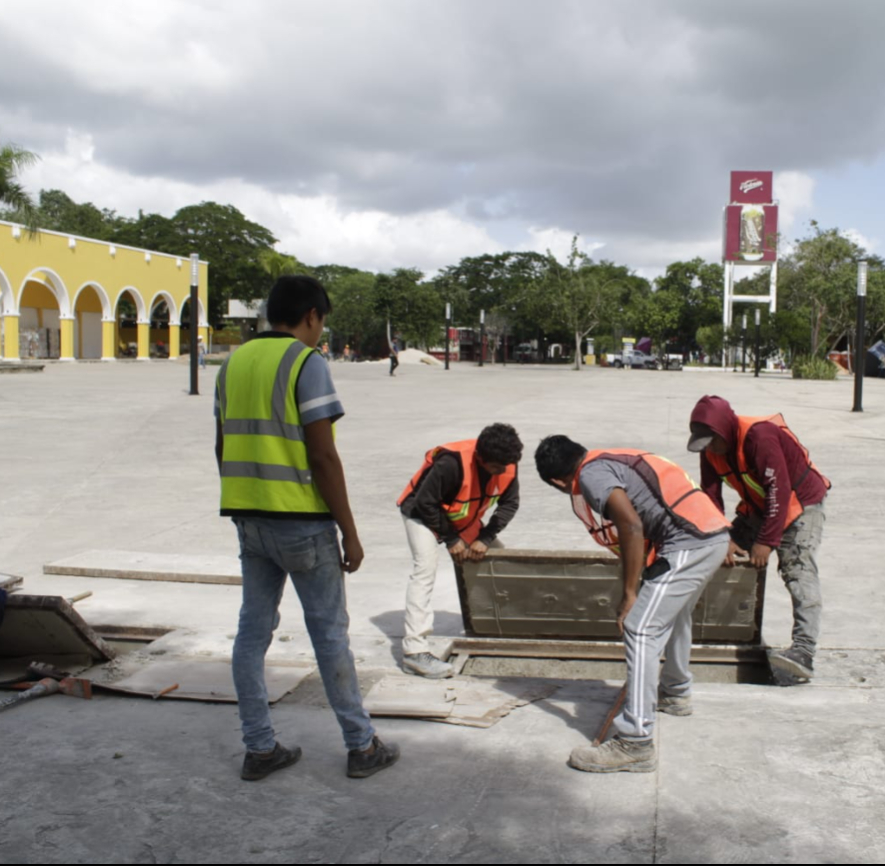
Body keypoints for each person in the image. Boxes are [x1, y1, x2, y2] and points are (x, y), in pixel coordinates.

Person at [215, 274, 398, 782]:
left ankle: (259, 747)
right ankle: (361, 747)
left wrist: (245, 498)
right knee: (329, 636)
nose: (321, 331)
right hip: (302, 522)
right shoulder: (306, 362)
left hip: (248, 519)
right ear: (312, 316)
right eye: (322, 322)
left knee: (252, 634)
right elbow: (323, 454)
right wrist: (350, 532)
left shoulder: (232, 364)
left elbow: (221, 444)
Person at [534, 435, 730, 774]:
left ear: (558, 481)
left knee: (640, 627)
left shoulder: (590, 476)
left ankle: (634, 742)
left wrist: (629, 595)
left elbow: (630, 524)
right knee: (674, 613)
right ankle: (676, 693)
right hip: (709, 536)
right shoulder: (612, 457)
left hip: (688, 543)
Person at [687, 394, 830, 685]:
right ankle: (722, 629)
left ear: (725, 430)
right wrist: (721, 536)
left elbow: (779, 489)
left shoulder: (759, 436)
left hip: (800, 503)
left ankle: (803, 651)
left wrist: (766, 541)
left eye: (714, 442)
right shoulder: (710, 448)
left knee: (797, 570)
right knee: (713, 553)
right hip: (760, 505)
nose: (711, 449)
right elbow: (711, 496)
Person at [397, 424, 523, 678]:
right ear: (481, 458)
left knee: (499, 562)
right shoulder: (452, 463)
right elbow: (425, 502)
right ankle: (415, 652)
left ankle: (500, 625)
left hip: (460, 517)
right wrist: (451, 539)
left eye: (507, 465)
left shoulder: (507, 462)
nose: (503, 471)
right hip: (422, 515)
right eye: (497, 467)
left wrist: (485, 538)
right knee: (424, 569)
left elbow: (510, 504)